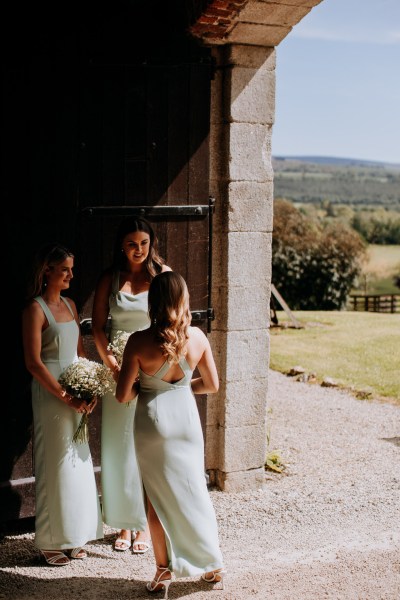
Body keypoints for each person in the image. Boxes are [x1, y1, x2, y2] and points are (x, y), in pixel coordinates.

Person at [116, 271, 225, 597]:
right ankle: (212, 564)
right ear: (183, 299)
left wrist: (147, 387)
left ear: (154, 302)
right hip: (186, 422)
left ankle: (163, 571)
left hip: (152, 423)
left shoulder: (138, 341)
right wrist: (179, 389)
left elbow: (123, 396)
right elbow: (212, 385)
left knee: (155, 500)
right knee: (193, 491)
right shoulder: (198, 338)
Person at [92, 216, 171, 553]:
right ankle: (123, 523)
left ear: (151, 243)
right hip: (117, 372)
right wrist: (110, 361)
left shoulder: (163, 276)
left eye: (143, 243)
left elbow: (176, 319)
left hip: (151, 369)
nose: (138, 250)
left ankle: (143, 524)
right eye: (131, 244)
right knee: (119, 446)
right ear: (120, 247)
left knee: (147, 446)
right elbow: (97, 327)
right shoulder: (111, 279)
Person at [21, 243, 103, 566]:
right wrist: (66, 396)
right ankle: (50, 539)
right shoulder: (34, 309)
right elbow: (33, 362)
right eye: (65, 268)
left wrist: (90, 387)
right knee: (54, 462)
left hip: (76, 388)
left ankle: (76, 534)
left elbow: (79, 353)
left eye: (72, 268)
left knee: (78, 462)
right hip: (51, 392)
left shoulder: (70, 305)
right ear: (48, 271)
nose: (71, 274)